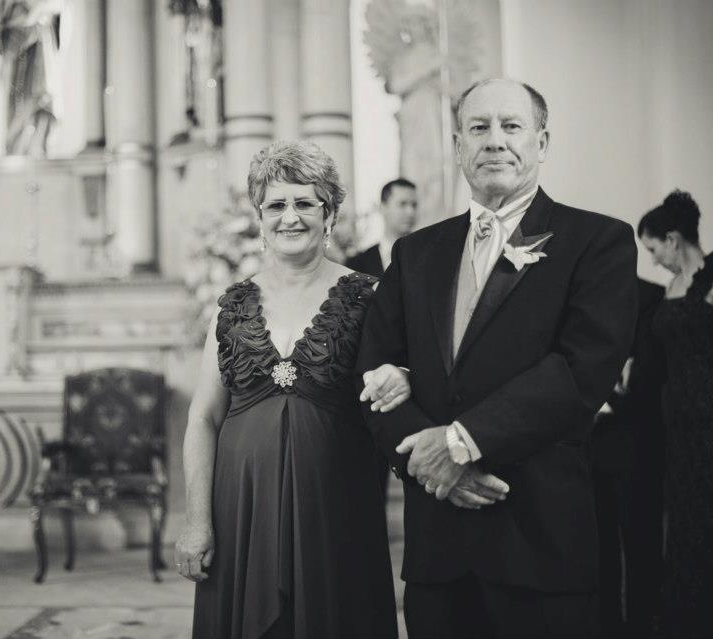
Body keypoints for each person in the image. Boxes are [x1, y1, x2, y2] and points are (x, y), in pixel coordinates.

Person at [357, 78, 638, 638]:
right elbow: (373, 371)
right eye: (479, 127)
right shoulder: (416, 253)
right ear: (458, 144)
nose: (494, 140)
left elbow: (582, 370)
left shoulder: (598, 241)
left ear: (542, 141)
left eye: (511, 126)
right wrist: (426, 463)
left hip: (538, 539)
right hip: (439, 546)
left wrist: (460, 443)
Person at [176, 140, 399, 638]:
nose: (290, 217)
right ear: (259, 217)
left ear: (330, 213)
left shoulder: (370, 296)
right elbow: (203, 418)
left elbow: (397, 391)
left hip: (337, 507)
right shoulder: (232, 305)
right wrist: (197, 521)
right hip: (240, 511)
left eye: (305, 203)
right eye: (276, 205)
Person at [638, 190, 713, 639]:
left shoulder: (712, 276)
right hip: (676, 422)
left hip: (708, 421)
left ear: (672, 238)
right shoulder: (670, 288)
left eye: (653, 249)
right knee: (683, 518)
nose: (653, 260)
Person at [592, 276, 666, 639]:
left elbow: (646, 377)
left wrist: (604, 398)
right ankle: (607, 624)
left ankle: (642, 624)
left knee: (641, 542)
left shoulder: (649, 297)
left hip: (634, 442)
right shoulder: (574, 294)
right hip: (588, 444)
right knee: (598, 544)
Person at [0, 0, 62, 157]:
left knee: (40, 109)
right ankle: (17, 152)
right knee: (18, 118)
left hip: (40, 69)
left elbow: (57, 14)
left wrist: (39, 16)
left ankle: (39, 151)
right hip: (17, 74)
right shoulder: (8, 7)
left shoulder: (46, 9)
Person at [347, 178, 418, 278]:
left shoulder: (428, 256)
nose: (411, 212)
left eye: (414, 205)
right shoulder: (356, 265)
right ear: (383, 208)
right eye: (402, 204)